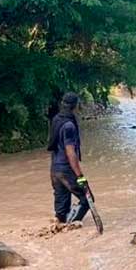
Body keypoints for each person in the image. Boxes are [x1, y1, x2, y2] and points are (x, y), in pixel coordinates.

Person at [47, 92, 91, 225]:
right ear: (75, 106)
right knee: (87, 199)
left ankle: (59, 225)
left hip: (55, 169)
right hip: (66, 169)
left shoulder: (56, 120)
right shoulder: (69, 126)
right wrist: (80, 176)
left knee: (61, 209)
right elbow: (70, 152)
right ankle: (70, 226)